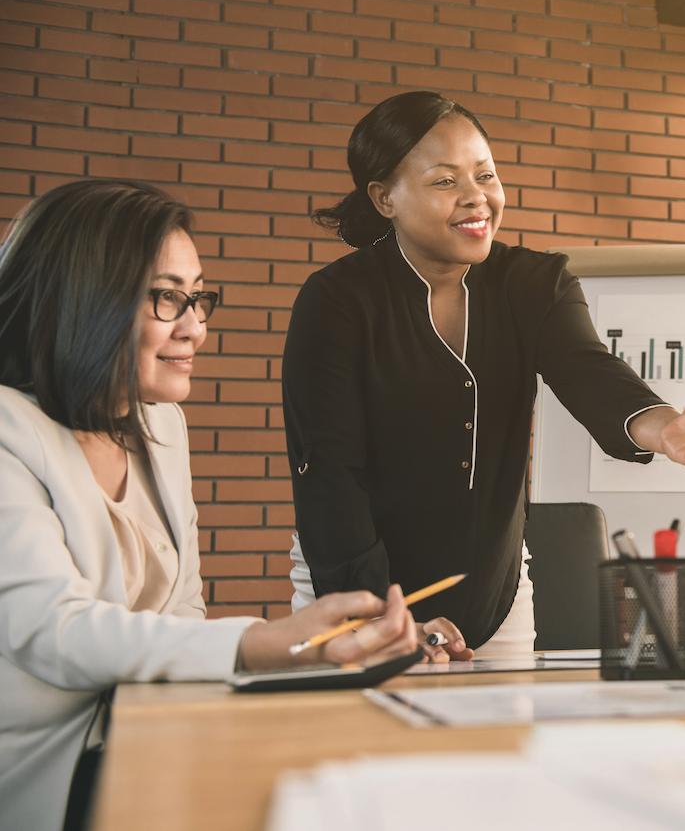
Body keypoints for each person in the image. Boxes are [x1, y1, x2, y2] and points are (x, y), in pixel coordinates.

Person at [283, 91, 685, 659]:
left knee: (502, 743)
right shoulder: (335, 303)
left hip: (495, 592)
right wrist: (381, 617)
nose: (477, 198)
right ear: (384, 197)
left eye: (485, 175)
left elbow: (589, 371)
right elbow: (329, 480)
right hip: (355, 590)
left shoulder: (535, 284)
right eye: (445, 181)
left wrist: (663, 428)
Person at [0, 180, 421, 831]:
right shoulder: (9, 429)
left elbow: (183, 616)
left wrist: (332, 653)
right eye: (169, 297)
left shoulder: (163, 427)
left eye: (198, 298)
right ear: (85, 297)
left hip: (149, 746)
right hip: (47, 784)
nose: (195, 327)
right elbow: (52, 629)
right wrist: (264, 645)